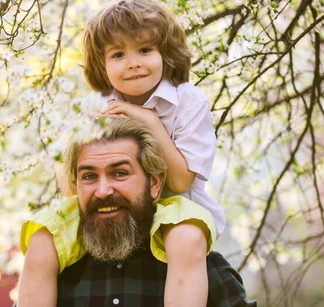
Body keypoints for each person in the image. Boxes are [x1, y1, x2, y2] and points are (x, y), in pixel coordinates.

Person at [19, 0, 225, 306]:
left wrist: (150, 120)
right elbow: (71, 184)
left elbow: (181, 182)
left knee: (185, 239)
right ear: (102, 65)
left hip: (175, 208)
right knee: (43, 236)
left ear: (166, 54)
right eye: (118, 54)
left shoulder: (188, 102)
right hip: (115, 206)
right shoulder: (94, 108)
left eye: (144, 50)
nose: (133, 63)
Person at [19, 119, 255, 306]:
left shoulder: (199, 266)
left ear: (154, 184)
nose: (102, 191)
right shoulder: (53, 270)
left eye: (120, 173)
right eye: (89, 176)